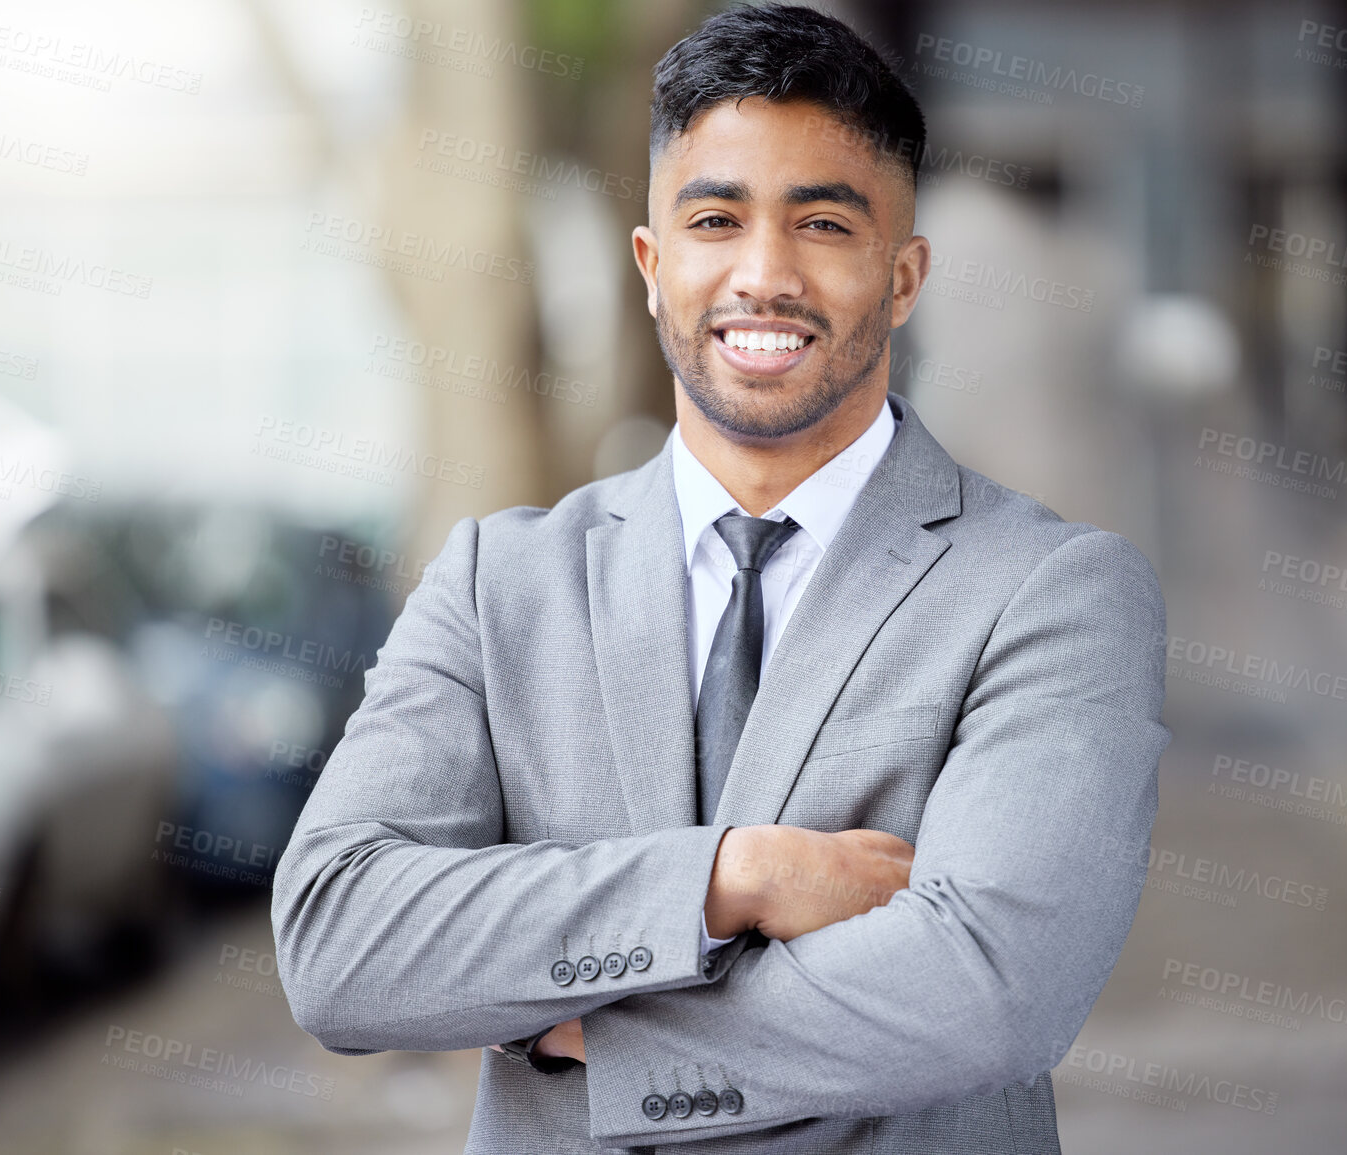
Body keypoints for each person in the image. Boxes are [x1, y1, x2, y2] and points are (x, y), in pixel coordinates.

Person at [270, 5, 1169, 1151]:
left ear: (903, 277)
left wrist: (597, 1041)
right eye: (715, 219)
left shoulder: (1054, 592)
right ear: (652, 267)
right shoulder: (502, 583)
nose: (764, 274)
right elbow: (341, 943)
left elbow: (989, 986)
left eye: (824, 225)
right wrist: (726, 880)